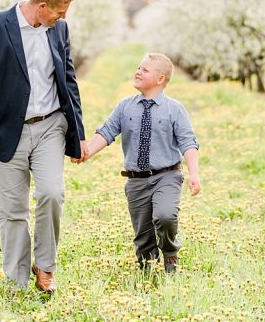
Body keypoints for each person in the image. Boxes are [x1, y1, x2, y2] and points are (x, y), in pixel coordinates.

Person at [0, 0, 86, 295]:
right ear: (42, 7)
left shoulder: (59, 30)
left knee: (51, 193)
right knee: (12, 210)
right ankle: (16, 279)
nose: (63, 18)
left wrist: (78, 133)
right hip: (6, 130)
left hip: (50, 126)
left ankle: (45, 267)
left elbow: (68, 80)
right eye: (60, 12)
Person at [80, 52, 200, 273]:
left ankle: (170, 253)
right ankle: (147, 274)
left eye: (144, 70)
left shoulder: (174, 109)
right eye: (138, 67)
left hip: (167, 175)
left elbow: (187, 142)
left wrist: (194, 173)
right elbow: (106, 132)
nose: (137, 72)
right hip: (136, 181)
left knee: (165, 216)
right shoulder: (125, 106)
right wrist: (87, 151)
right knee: (143, 237)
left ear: (160, 78)